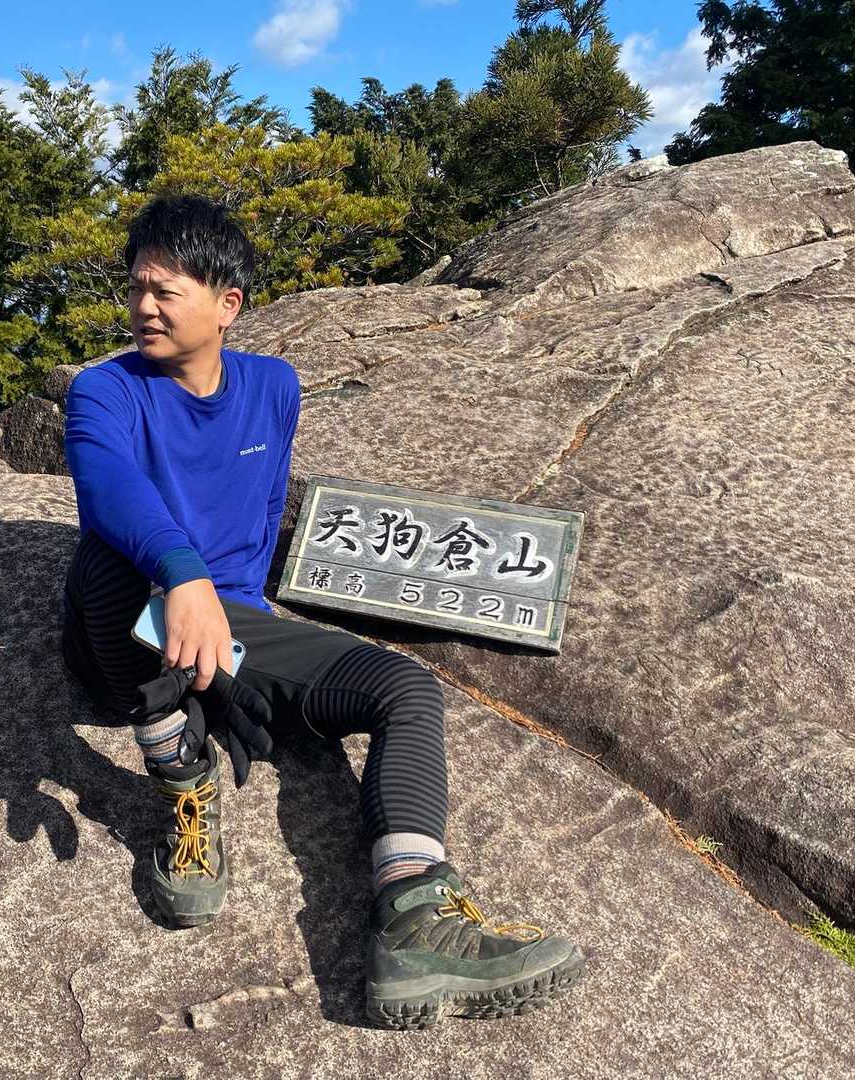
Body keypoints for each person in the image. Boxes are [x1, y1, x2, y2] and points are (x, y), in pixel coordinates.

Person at [59, 193, 586, 1028]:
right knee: (107, 557)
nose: (143, 306)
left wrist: (239, 644)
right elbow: (106, 485)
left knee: (406, 690)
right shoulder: (105, 391)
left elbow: (261, 511)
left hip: (232, 625)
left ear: (227, 304)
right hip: (128, 625)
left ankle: (415, 914)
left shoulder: (274, 387)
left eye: (165, 291)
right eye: (136, 288)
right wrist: (183, 575)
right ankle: (183, 773)